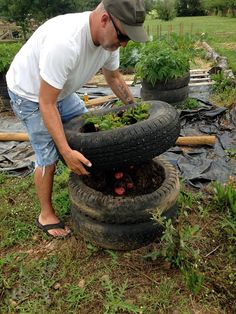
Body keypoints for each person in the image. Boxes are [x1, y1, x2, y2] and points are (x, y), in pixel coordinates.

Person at [6, 0, 148, 238]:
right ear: (105, 20)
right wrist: (65, 150)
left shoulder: (108, 43)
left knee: (87, 130)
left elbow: (113, 78)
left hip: (60, 90)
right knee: (48, 154)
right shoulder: (65, 43)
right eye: (123, 36)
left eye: (129, 40)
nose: (123, 44)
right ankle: (46, 215)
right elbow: (46, 103)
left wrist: (136, 110)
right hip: (29, 94)